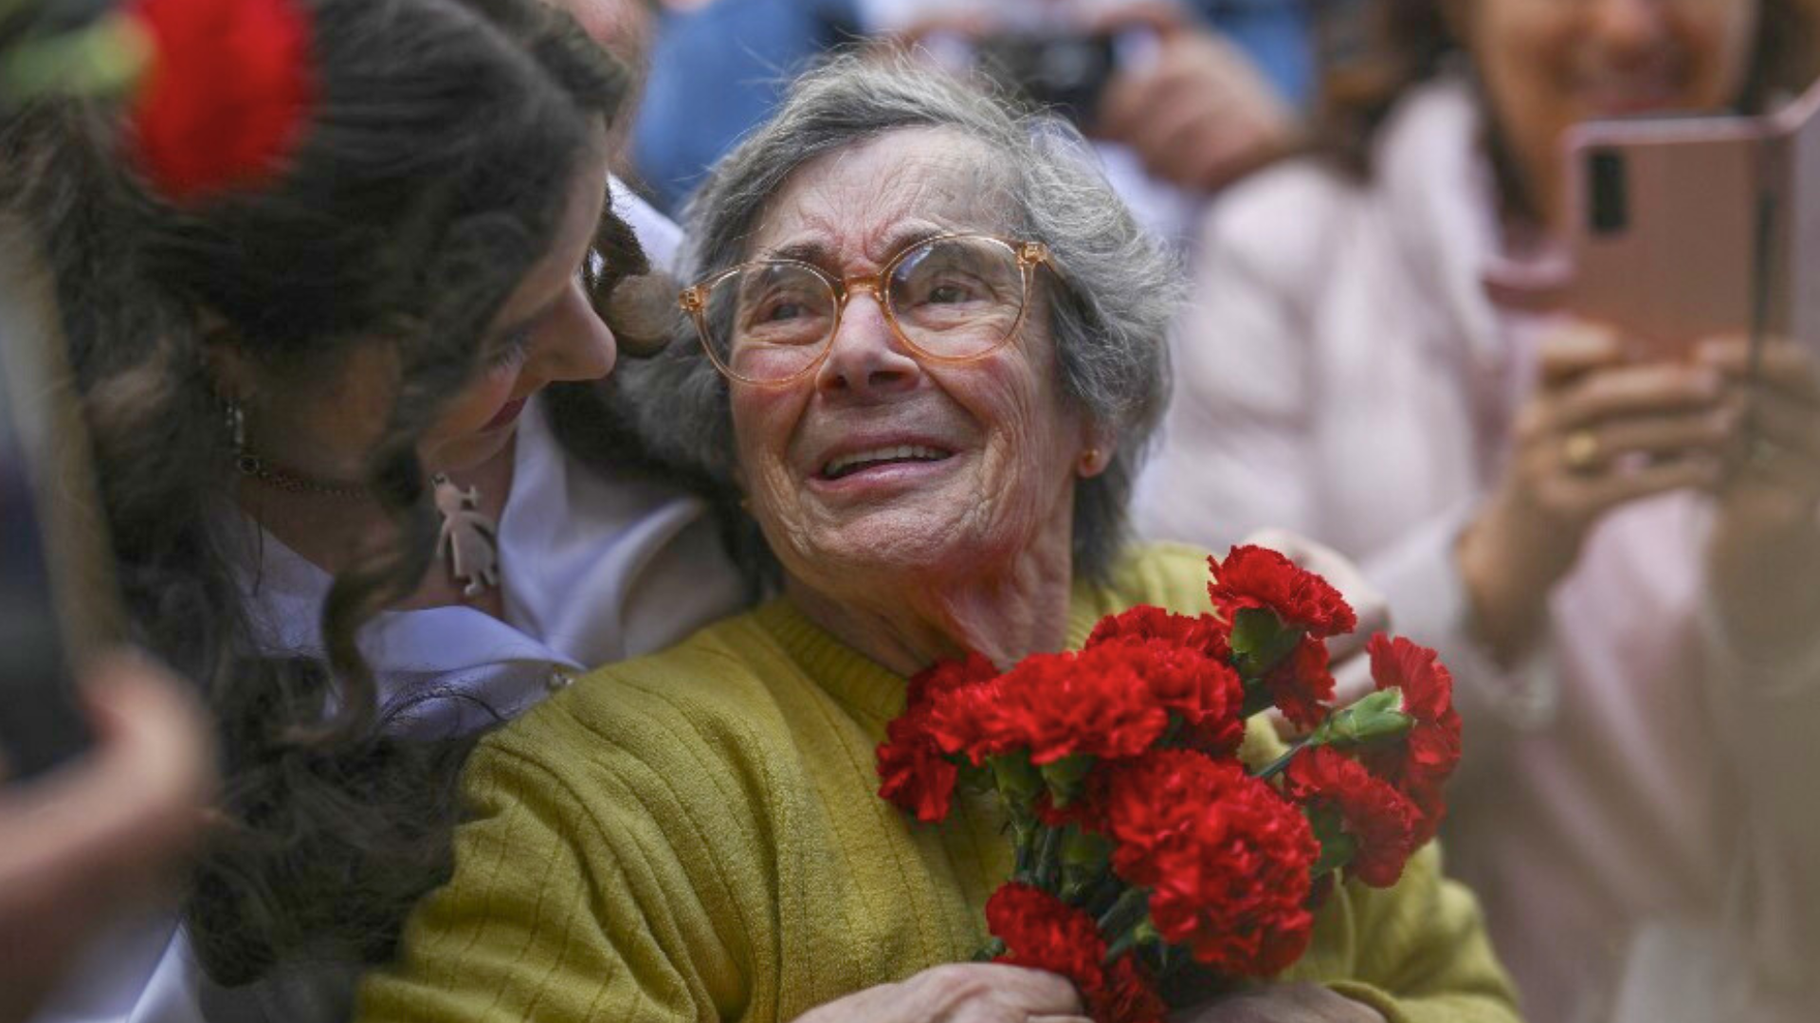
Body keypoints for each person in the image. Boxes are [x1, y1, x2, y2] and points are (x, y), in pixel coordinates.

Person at [356, 57, 1519, 1023]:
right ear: (736, 449)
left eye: (943, 285)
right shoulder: (608, 797)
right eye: (786, 305)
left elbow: (1465, 996)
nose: (856, 350)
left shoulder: (1241, 667)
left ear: (1093, 403)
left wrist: (1349, 1020)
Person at [1, 0, 746, 1019]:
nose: (597, 351)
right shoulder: (109, 661)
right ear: (232, 348)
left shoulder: (524, 198)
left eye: (590, 253)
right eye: (499, 342)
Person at [1133, 1, 1820, 1020]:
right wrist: (1495, 566)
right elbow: (1198, 770)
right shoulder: (1287, 254)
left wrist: (1778, 614)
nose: (1629, 29)